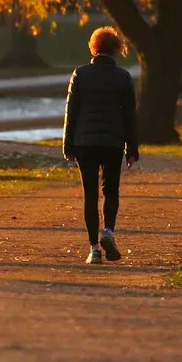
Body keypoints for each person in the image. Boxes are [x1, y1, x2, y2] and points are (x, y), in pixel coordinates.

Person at [62, 26, 139, 265]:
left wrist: (68, 144)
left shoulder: (80, 74)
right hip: (112, 142)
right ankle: (109, 232)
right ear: (117, 49)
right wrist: (132, 147)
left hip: (85, 142)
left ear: (93, 47)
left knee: (90, 195)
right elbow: (129, 116)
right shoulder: (123, 77)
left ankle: (94, 249)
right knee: (110, 190)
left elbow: (71, 112)